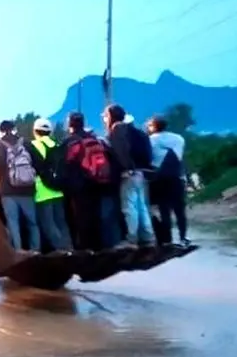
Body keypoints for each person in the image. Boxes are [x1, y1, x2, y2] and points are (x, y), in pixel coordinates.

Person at [62, 112, 120, 250]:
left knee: (81, 218)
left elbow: (66, 166)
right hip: (97, 183)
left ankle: (85, 248)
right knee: (96, 215)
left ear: (70, 124)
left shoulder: (69, 142)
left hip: (79, 186)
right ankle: (99, 246)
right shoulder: (95, 139)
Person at [104, 104, 155, 248]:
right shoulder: (136, 132)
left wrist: (127, 168)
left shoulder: (117, 130)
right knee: (142, 206)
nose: (105, 120)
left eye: (106, 116)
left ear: (111, 116)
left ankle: (131, 239)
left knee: (129, 207)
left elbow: (121, 151)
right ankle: (148, 237)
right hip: (141, 172)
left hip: (129, 174)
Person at [0, 120, 40, 251]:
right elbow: (39, 163)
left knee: (13, 223)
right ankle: (36, 250)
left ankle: (18, 252)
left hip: (8, 192)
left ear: (1, 131)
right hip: (28, 190)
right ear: (14, 129)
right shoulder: (27, 144)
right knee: (33, 223)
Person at [30, 118, 73, 252]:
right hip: (58, 190)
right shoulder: (57, 145)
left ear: (35, 131)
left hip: (42, 192)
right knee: (61, 223)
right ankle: (69, 248)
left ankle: (62, 250)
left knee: (48, 225)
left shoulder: (33, 146)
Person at [146, 115, 191, 247]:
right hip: (176, 177)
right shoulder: (178, 138)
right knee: (179, 210)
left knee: (164, 209)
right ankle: (183, 237)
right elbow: (179, 157)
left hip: (159, 179)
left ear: (154, 126)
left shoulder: (150, 140)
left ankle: (168, 239)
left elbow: (149, 158)